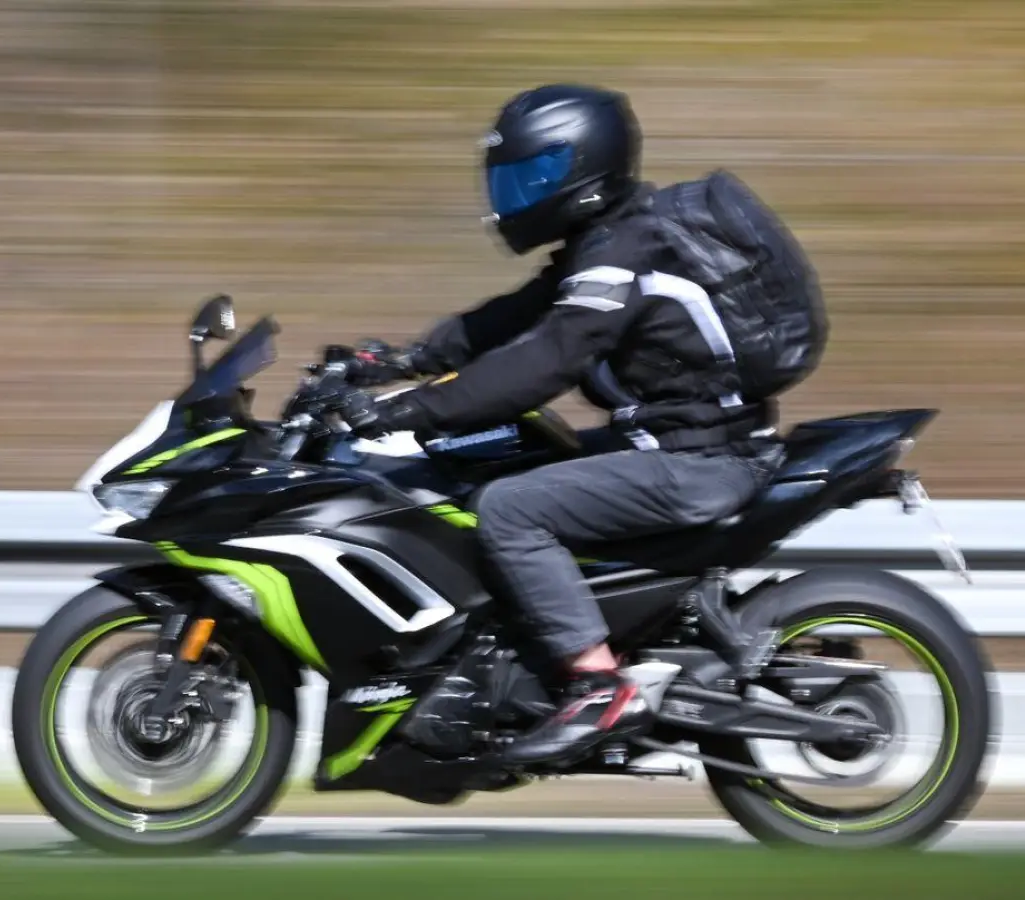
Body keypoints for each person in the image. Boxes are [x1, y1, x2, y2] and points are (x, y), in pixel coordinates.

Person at [333, 83, 818, 768]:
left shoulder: (625, 253)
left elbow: (546, 360)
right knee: (486, 465)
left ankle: (597, 685)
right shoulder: (612, 241)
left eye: (532, 176)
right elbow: (511, 318)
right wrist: (397, 361)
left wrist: (407, 410)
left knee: (509, 508)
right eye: (510, 178)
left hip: (699, 461)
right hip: (676, 444)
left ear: (584, 168)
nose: (514, 195)